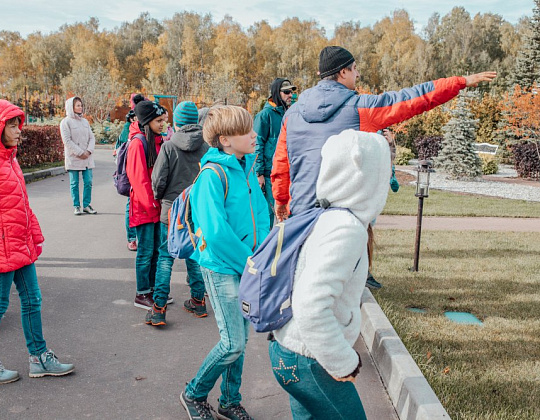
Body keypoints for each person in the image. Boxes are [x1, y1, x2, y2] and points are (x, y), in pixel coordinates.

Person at [271, 45, 497, 222]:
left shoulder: (292, 114)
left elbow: (282, 164)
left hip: (301, 211)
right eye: (354, 68)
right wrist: (461, 82)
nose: (357, 74)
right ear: (343, 72)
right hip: (343, 214)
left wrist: (281, 200)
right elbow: (412, 99)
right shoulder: (361, 108)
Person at [270, 129, 391, 419]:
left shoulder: (325, 215)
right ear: (369, 176)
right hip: (310, 360)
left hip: (290, 351)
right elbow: (311, 306)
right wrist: (344, 362)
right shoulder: (346, 229)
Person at [180, 106, 270, 420]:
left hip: (247, 266)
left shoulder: (245, 169)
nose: (254, 135)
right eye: (247, 131)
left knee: (241, 340)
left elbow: (261, 216)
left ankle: (230, 401)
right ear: (226, 140)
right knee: (232, 342)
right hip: (222, 268)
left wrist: (265, 254)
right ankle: (194, 393)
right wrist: (250, 263)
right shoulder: (211, 175)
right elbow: (216, 233)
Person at [0, 100, 75, 384]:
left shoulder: (10, 159)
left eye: (19, 124)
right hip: (3, 248)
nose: (18, 130)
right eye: (11, 124)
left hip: (19, 244)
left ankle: (39, 358)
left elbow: (20, 203)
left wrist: (32, 234)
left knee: (33, 299)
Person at [146, 101, 209, 326]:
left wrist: (161, 197)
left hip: (171, 209)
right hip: (196, 209)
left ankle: (159, 308)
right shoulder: (206, 147)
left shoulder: (169, 146)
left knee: (165, 257)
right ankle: (198, 301)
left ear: (178, 121)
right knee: (194, 255)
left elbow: (158, 181)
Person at [126, 101, 168, 310]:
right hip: (144, 207)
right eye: (159, 121)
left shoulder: (158, 141)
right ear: (147, 122)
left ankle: (152, 289)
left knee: (157, 252)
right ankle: (142, 292)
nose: (163, 124)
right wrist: (152, 203)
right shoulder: (138, 143)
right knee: (145, 252)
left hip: (157, 206)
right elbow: (139, 180)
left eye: (164, 120)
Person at [254, 78, 296, 228]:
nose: (290, 95)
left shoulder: (290, 113)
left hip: (286, 172)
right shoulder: (264, 116)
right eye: (286, 92)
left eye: (291, 92)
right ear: (277, 93)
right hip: (268, 174)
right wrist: (259, 174)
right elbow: (257, 144)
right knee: (270, 215)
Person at [366, 127, 399, 290]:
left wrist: (391, 144)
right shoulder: (364, 128)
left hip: (375, 190)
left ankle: (365, 272)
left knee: (368, 231)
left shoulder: (382, 133)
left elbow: (390, 159)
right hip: (364, 189)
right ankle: (363, 273)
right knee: (363, 232)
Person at [60, 96, 97, 216]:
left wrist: (88, 151)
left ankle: (86, 205)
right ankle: (76, 205)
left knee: (88, 181)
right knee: (74, 183)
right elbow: (67, 141)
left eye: (81, 105)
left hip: (87, 157)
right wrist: (80, 153)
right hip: (74, 157)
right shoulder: (65, 122)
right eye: (78, 105)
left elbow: (92, 137)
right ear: (71, 107)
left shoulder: (85, 121)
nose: (80, 107)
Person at [115, 110, 138, 251]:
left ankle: (135, 237)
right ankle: (131, 238)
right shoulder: (128, 129)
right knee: (131, 205)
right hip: (130, 173)